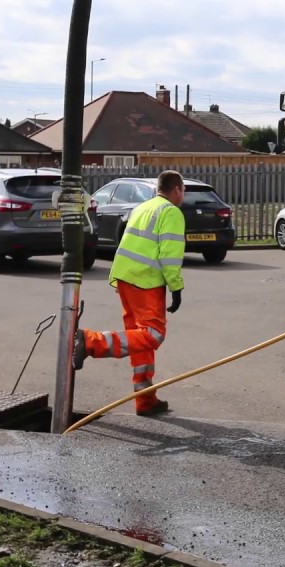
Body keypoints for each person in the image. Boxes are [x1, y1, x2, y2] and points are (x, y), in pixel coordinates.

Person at [73, 170, 186, 417]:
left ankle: (145, 400)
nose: (183, 196)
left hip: (125, 277)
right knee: (153, 335)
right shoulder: (171, 212)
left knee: (139, 338)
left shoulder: (142, 208)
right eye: (183, 191)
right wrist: (176, 287)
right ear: (177, 189)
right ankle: (90, 341)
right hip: (146, 280)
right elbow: (170, 256)